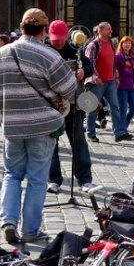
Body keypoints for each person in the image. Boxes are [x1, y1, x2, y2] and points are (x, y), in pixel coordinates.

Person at [0, 9, 76, 244]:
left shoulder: (2, 53)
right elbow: (69, 88)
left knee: (12, 174)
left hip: (12, 126)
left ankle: (8, 222)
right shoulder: (48, 55)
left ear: (22, 27)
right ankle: (31, 230)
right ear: (44, 30)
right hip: (42, 127)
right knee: (37, 179)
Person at [46, 20, 97, 194]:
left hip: (73, 104)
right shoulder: (44, 51)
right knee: (52, 144)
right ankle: (53, 179)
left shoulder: (75, 50)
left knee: (79, 141)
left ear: (67, 36)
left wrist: (85, 72)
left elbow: (89, 66)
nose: (58, 42)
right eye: (55, 39)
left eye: (61, 39)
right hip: (51, 106)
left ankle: (85, 179)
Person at [85, 22, 125, 143]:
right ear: (100, 31)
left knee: (115, 107)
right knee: (92, 108)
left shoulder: (111, 44)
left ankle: (119, 133)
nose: (111, 31)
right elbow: (89, 63)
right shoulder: (93, 45)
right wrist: (95, 76)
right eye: (108, 29)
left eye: (110, 29)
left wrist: (115, 75)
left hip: (110, 81)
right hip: (97, 82)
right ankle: (91, 133)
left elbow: (112, 61)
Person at [115, 36, 134, 131]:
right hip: (121, 86)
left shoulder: (132, 56)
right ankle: (122, 129)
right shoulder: (118, 56)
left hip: (131, 86)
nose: (127, 45)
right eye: (125, 43)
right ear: (121, 44)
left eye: (129, 43)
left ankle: (123, 125)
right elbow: (116, 71)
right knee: (123, 109)